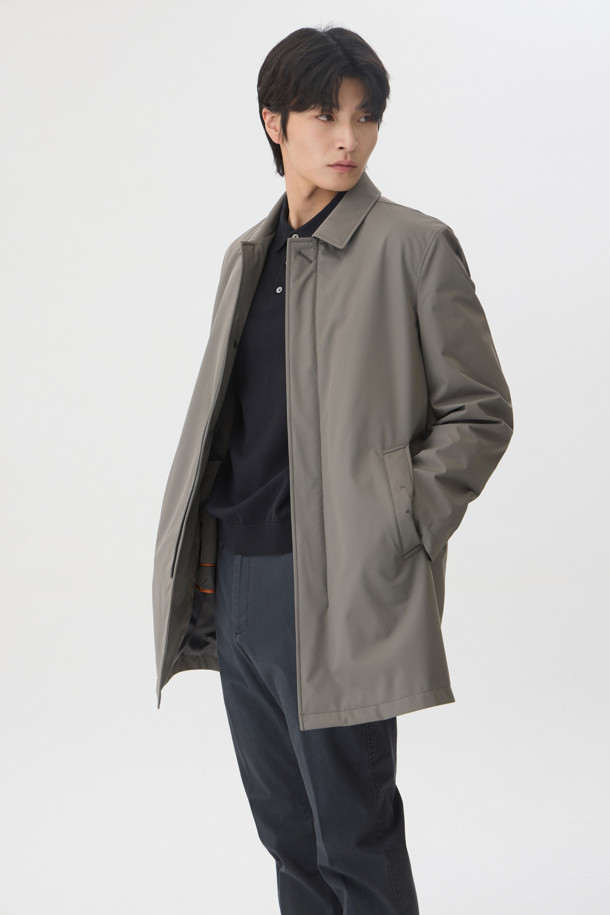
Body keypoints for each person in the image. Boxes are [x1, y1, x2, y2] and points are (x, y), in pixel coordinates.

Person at [152, 24, 514, 915]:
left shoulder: (413, 246)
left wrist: (399, 519)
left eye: (366, 116)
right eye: (325, 115)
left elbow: (480, 409)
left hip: (342, 584)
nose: (349, 137)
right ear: (274, 122)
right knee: (287, 834)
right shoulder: (247, 256)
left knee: (353, 835)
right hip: (239, 580)